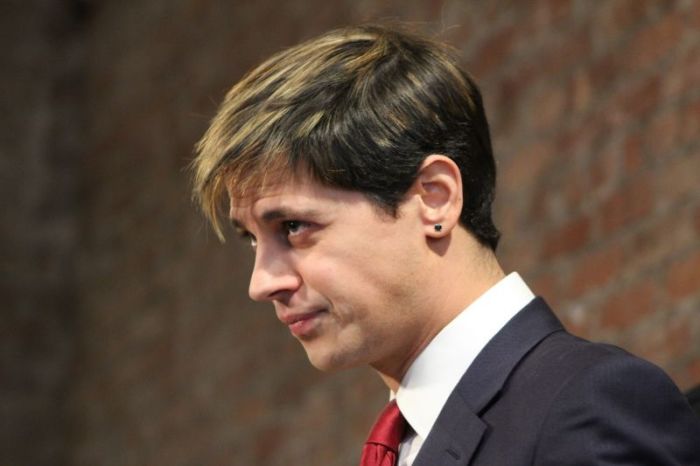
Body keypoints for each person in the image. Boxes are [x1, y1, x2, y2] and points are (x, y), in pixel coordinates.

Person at [191, 25, 700, 465]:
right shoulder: (413, 438)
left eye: (294, 227)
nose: (262, 283)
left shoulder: (587, 408)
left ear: (434, 200)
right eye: (251, 240)